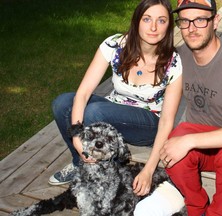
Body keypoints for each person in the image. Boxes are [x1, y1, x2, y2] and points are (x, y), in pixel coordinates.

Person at [48, 0, 183, 197]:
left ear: (168, 26)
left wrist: (149, 169)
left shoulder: (173, 62)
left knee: (95, 112)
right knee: (62, 103)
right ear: (137, 21)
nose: (153, 27)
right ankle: (80, 162)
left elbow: (167, 121)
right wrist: (77, 138)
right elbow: (83, 92)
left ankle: (103, 175)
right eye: (147, 19)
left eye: (161, 20)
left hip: (148, 122)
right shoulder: (114, 45)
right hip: (114, 108)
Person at [157, 0, 222, 215]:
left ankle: (217, 211)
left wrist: (189, 141)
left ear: (215, 21)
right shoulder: (179, 57)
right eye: (185, 21)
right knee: (171, 152)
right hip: (198, 133)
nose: (192, 28)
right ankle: (196, 205)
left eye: (200, 19)